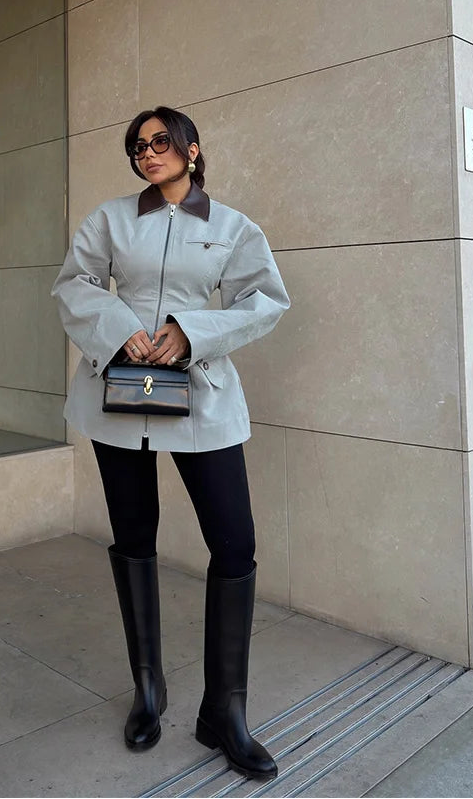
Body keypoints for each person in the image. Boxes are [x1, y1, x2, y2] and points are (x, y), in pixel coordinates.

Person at [51, 106, 290, 781]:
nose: (148, 152)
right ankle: (149, 691)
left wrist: (192, 331)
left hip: (202, 397)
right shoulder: (110, 220)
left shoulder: (234, 227)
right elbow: (73, 283)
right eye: (137, 145)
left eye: (160, 141)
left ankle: (226, 711)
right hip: (119, 394)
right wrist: (119, 325)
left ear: (191, 147)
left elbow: (264, 300)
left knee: (234, 543)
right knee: (134, 536)